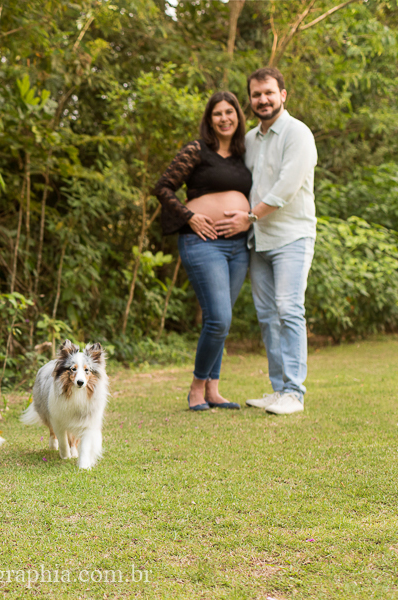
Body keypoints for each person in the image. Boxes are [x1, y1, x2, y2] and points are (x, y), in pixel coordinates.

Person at [215, 67, 317, 415]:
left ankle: (295, 393)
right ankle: (279, 389)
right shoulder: (253, 140)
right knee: (267, 316)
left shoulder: (298, 133)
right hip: (259, 242)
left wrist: (250, 217)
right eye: (256, 95)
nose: (263, 100)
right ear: (251, 99)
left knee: (289, 310)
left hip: (291, 237)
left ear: (283, 95)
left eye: (269, 93)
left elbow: (286, 188)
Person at [152, 91, 252, 412]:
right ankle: (197, 387)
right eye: (217, 113)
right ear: (209, 119)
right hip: (202, 242)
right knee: (219, 318)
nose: (224, 118)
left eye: (230, 112)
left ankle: (214, 389)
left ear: (238, 116)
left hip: (238, 245)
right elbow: (163, 186)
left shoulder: (243, 154)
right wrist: (190, 216)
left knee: (220, 317)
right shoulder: (197, 150)